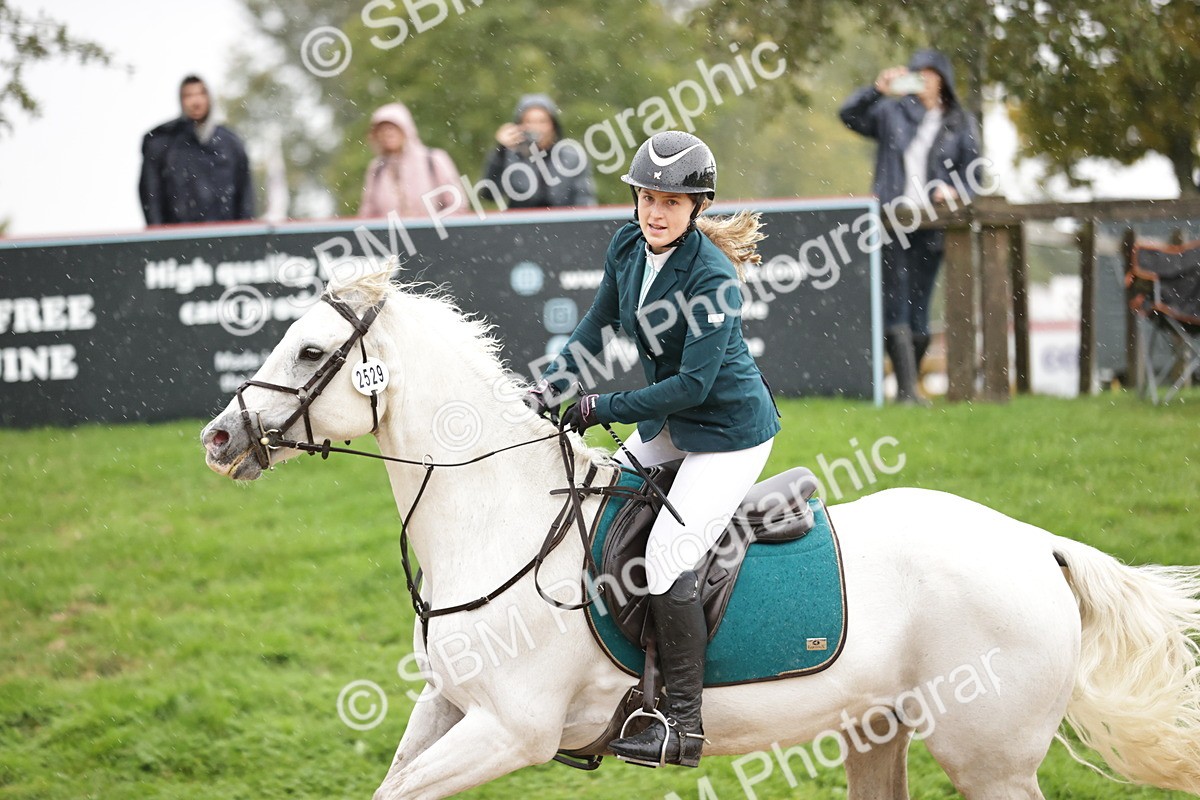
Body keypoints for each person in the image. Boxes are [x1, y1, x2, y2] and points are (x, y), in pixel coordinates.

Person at [527, 131, 780, 767]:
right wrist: (552, 386)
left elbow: (692, 386)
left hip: (727, 434)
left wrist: (599, 408)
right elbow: (597, 325)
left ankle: (683, 724)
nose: (655, 212)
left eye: (671, 201)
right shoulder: (627, 246)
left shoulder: (713, 277)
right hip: (675, 420)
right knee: (599, 504)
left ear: (697, 207)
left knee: (666, 558)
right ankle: (598, 683)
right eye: (647, 197)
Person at [839, 49, 982, 404]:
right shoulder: (892, 112)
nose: (925, 80)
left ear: (944, 80)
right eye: (919, 73)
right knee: (895, 301)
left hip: (934, 223)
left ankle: (910, 387)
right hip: (893, 220)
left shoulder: (960, 122)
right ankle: (906, 391)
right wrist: (877, 90)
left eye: (932, 74)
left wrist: (956, 191)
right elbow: (849, 115)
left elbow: (974, 174)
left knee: (920, 303)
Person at [139, 75, 254, 225]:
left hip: (224, 235)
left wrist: (242, 234)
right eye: (189, 95)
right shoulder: (162, 145)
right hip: (178, 236)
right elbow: (151, 197)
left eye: (201, 93)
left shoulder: (231, 145)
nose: (196, 102)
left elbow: (245, 199)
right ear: (181, 100)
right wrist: (160, 235)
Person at [481, 94, 596, 209]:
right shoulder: (509, 156)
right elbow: (488, 194)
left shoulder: (572, 157)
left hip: (563, 218)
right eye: (528, 122)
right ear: (519, 126)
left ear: (553, 125)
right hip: (521, 219)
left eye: (542, 122)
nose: (536, 128)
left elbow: (584, 200)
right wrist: (500, 151)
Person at [358, 102, 462, 218]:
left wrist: (437, 226)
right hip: (390, 230)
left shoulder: (433, 160)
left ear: (406, 129)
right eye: (382, 130)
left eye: (392, 128)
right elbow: (367, 213)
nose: (387, 133)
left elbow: (457, 204)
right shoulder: (377, 169)